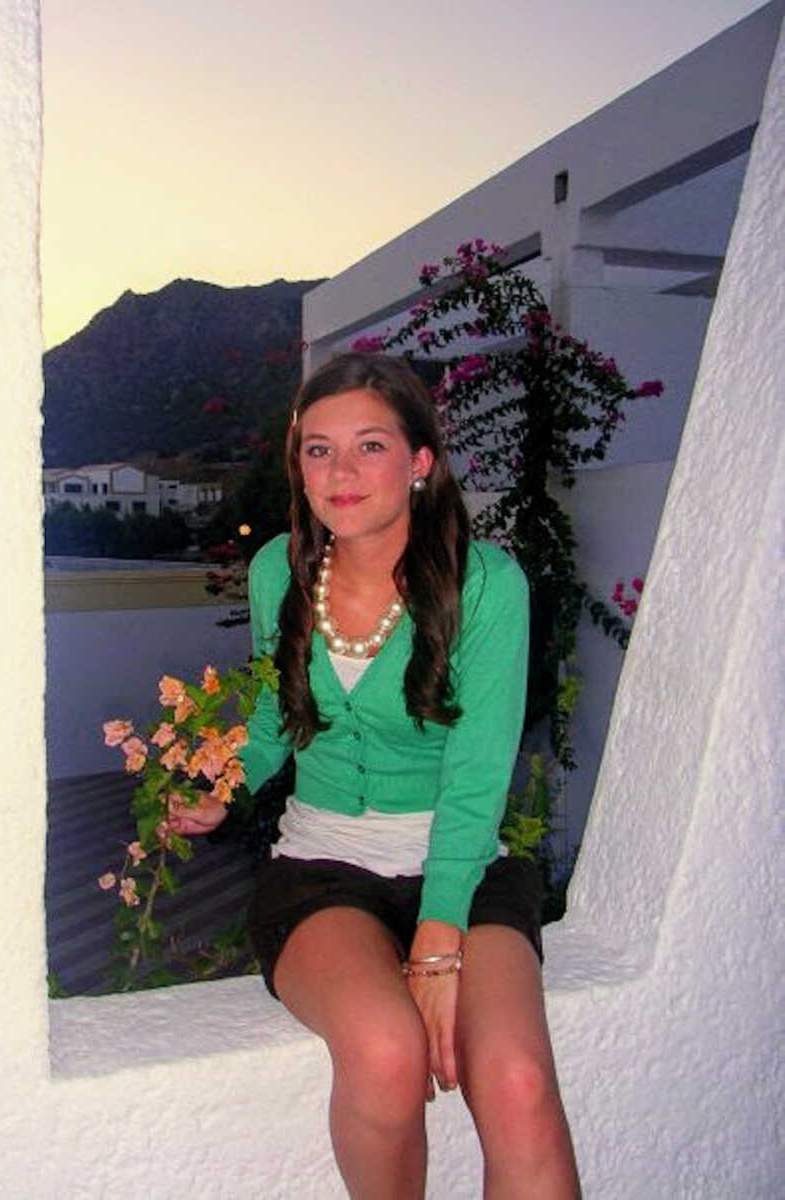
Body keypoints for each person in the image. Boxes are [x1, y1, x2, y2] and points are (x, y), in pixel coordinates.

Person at [180, 352, 580, 1198]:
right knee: (386, 1050)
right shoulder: (278, 573)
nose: (340, 472)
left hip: (463, 865)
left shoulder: (485, 585)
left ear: (420, 461)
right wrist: (223, 789)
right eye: (318, 450)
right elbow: (274, 715)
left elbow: (478, 776)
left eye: (369, 446)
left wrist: (438, 942)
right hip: (322, 870)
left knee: (516, 1082)